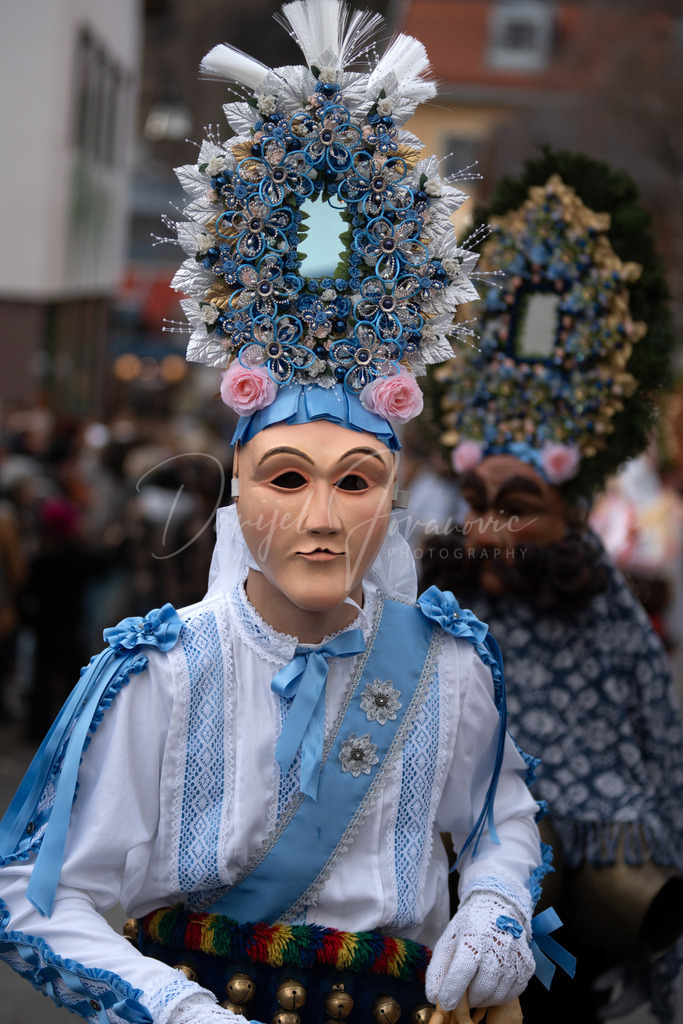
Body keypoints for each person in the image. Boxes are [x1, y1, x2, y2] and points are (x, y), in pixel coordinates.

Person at [0, 5, 561, 1023]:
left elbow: (499, 820)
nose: (320, 516)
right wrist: (174, 1010)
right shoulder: (161, 674)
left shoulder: (450, 668)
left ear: (390, 499)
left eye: (354, 482)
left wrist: (491, 912)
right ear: (237, 490)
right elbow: (39, 897)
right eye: (285, 478)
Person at [426, 151, 683, 1022]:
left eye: (519, 507)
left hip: (593, 929)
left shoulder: (603, 612)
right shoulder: (433, 618)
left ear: (570, 513)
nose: (489, 528)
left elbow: (657, 753)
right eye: (475, 504)